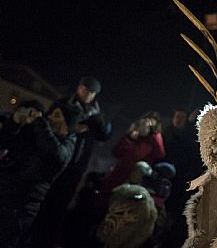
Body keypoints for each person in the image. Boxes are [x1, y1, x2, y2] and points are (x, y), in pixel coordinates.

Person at [30, 76, 112, 248]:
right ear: (78, 88)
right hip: (55, 158)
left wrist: (99, 122)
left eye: (91, 92)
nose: (86, 94)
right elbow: (48, 124)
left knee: (60, 204)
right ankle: (31, 234)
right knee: (43, 198)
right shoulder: (63, 104)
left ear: (95, 95)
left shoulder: (96, 114)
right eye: (84, 89)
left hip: (76, 164)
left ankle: (47, 240)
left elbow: (104, 135)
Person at [0, 100, 81, 248]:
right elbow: (6, 141)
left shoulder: (68, 143)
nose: (49, 117)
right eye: (50, 113)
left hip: (19, 209)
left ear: (67, 124)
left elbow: (56, 154)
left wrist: (39, 122)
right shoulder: (37, 132)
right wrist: (14, 123)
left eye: (56, 115)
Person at [98, 113, 166, 208]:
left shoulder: (152, 140)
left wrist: (154, 134)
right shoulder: (132, 136)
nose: (147, 123)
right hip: (121, 172)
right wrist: (129, 138)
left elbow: (160, 154)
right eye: (146, 120)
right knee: (107, 197)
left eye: (151, 122)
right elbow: (117, 152)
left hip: (137, 176)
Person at [162, 108, 204, 248]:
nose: (179, 119)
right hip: (165, 178)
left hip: (181, 181)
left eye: (182, 117)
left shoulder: (187, 136)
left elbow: (190, 147)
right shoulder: (166, 134)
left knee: (176, 216)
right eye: (177, 116)